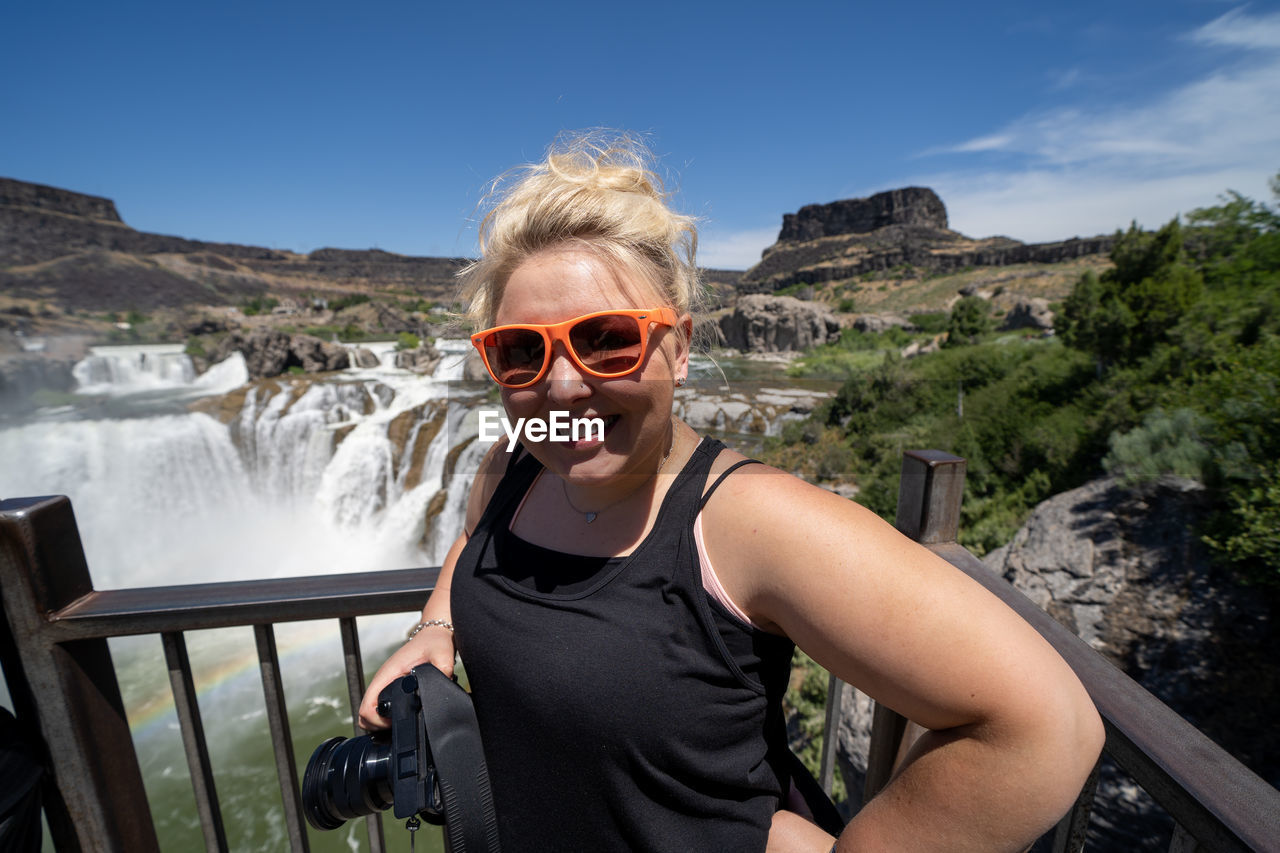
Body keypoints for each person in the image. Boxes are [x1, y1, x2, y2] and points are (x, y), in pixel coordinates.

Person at [359, 132, 1104, 852]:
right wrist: (436, 630)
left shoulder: (747, 521)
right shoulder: (512, 466)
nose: (560, 383)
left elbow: (1047, 725)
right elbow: (472, 543)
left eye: (607, 338)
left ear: (678, 348)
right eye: (521, 350)